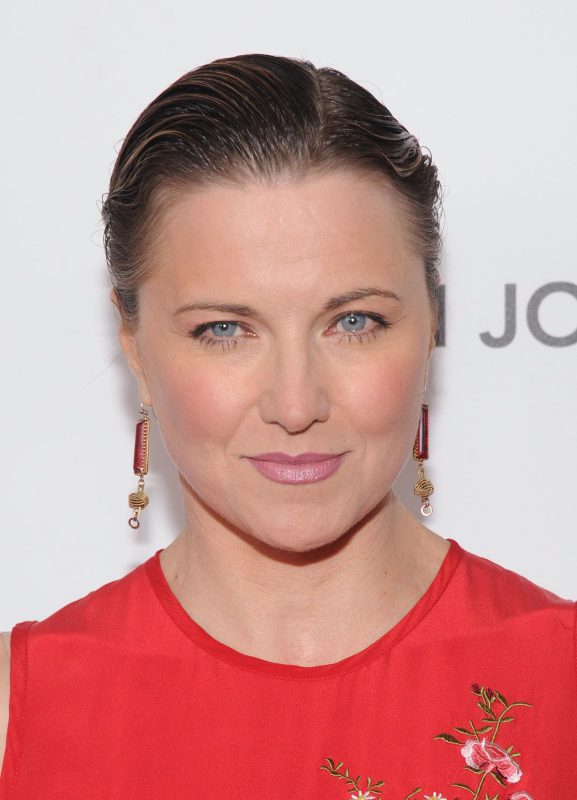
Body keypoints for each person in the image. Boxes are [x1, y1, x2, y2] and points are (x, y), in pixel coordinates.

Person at [0, 53, 575, 799]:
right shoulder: (19, 710)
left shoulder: (561, 682)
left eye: (354, 321)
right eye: (223, 330)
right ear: (135, 347)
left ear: (432, 322)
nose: (296, 405)